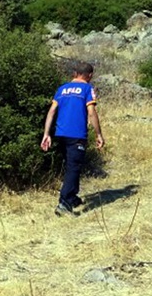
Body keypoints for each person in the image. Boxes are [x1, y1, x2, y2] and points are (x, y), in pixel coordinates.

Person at [40, 61, 105, 216]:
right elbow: (91, 112)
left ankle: (72, 197)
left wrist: (46, 134)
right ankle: (64, 203)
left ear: (74, 73)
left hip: (60, 134)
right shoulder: (87, 88)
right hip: (76, 134)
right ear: (89, 76)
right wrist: (98, 134)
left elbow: (51, 111)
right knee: (73, 168)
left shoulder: (62, 89)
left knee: (71, 165)